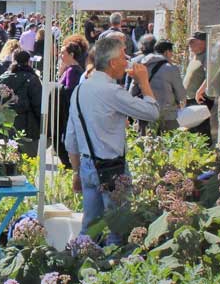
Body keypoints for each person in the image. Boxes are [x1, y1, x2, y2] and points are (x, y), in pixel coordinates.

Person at [65, 37, 159, 244]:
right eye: (124, 56)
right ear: (113, 62)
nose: (127, 62)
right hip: (112, 167)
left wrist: (76, 171)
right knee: (117, 228)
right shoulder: (112, 91)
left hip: (88, 165)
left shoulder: (80, 89)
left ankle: (81, 267)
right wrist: (143, 82)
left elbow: (70, 137)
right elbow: (152, 113)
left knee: (89, 228)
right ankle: (113, 271)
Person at [131, 40, 186, 135]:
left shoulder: (141, 65)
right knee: (169, 144)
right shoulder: (171, 68)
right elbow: (180, 94)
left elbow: (132, 91)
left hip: (145, 113)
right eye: (171, 52)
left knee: (145, 144)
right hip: (166, 115)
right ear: (167, 52)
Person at [0, 50, 43, 156]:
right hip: (29, 125)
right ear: (28, 62)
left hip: (8, 124)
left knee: (11, 159)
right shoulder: (32, 79)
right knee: (28, 159)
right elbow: (38, 104)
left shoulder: (3, 79)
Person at [52, 35, 89, 167]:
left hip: (67, 114)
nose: (61, 55)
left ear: (71, 54)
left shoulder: (73, 71)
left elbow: (69, 92)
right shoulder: (71, 70)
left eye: (63, 53)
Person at [184, 31, 213, 139]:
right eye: (190, 42)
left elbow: (210, 76)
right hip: (190, 98)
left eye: (193, 42)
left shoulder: (206, 56)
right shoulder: (195, 57)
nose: (190, 45)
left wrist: (200, 91)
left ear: (203, 43)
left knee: (201, 130)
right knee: (192, 129)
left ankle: (206, 152)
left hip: (200, 98)